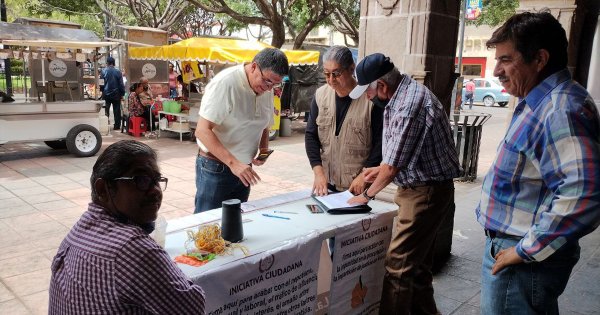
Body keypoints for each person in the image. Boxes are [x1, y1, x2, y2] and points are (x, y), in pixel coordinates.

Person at [475, 11, 600, 314]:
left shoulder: (560, 108)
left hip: (521, 260)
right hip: (519, 254)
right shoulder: (542, 100)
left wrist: (525, 250)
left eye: (506, 60)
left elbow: (585, 193)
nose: (496, 71)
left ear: (540, 59)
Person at [347, 53, 461, 315]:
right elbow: (399, 156)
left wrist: (366, 196)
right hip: (422, 187)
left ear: (383, 87)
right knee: (417, 267)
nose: (368, 98)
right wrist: (377, 170)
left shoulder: (410, 105)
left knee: (398, 265)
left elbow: (393, 166)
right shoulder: (403, 94)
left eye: (368, 92)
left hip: (425, 193)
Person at [49, 140, 206, 314]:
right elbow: (192, 308)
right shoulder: (133, 249)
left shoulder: (80, 230)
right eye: (141, 180)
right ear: (103, 189)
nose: (155, 191)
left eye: (157, 180)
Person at [194, 48, 288, 213]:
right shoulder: (225, 84)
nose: (269, 88)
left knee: (234, 220)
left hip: (244, 167)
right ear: (253, 67)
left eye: (275, 84)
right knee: (208, 223)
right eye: (267, 82)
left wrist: (264, 148)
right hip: (216, 167)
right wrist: (233, 163)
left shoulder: (266, 86)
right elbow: (202, 130)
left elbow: (265, 121)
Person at [305, 45, 383, 196]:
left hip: (357, 185)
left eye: (336, 73)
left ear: (351, 69)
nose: (331, 80)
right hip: (327, 184)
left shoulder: (370, 99)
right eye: (327, 74)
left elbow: (380, 143)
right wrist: (318, 172)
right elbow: (311, 135)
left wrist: (364, 175)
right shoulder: (320, 96)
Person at [101, 56, 125, 130]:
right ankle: (117, 126)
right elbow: (121, 84)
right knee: (117, 110)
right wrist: (122, 94)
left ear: (107, 63)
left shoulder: (103, 71)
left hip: (106, 94)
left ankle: (105, 125)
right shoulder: (118, 72)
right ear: (114, 63)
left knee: (106, 109)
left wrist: (102, 91)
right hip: (116, 94)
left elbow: (101, 83)